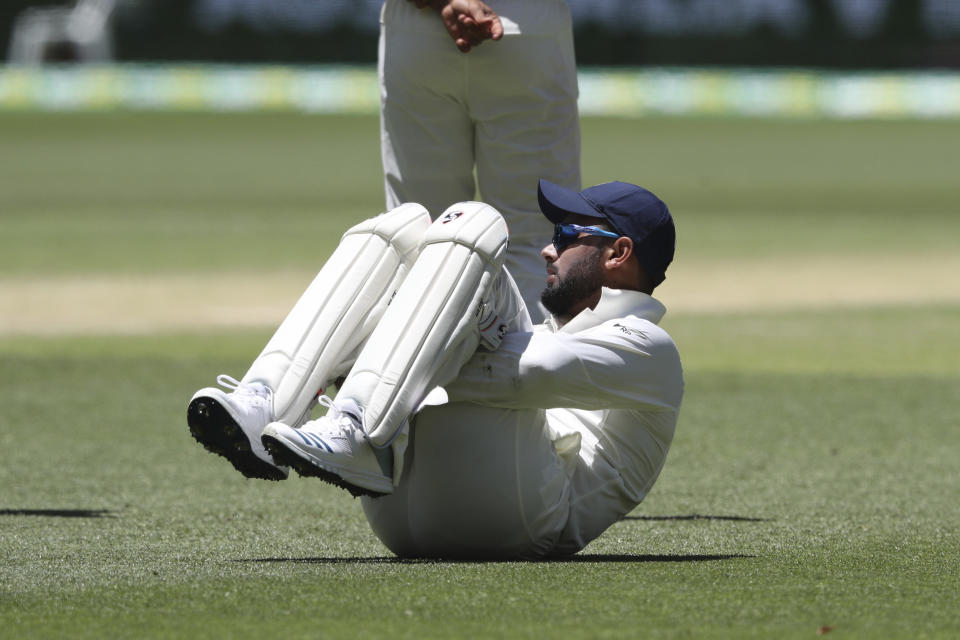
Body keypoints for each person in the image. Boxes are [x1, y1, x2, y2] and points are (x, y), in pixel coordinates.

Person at [188, 179, 683, 559]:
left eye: (567, 234)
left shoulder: (650, 347)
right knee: (403, 227)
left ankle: (357, 424)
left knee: (475, 221)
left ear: (618, 253)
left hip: (519, 519)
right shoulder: (553, 329)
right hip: (400, 517)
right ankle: (262, 405)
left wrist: (388, 354)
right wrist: (422, 346)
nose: (548, 249)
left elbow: (531, 373)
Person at [378, 0, 581, 322]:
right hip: (527, 27)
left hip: (419, 28)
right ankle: (533, 369)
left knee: (419, 230)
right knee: (536, 237)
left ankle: (414, 369)